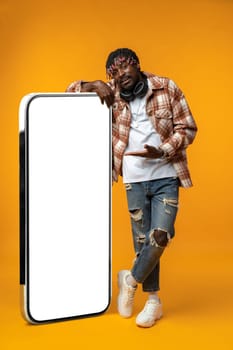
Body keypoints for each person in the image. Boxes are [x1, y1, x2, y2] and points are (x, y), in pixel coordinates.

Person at [66, 48, 197, 328]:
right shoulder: (109, 94)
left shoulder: (166, 86)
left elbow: (187, 128)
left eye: (124, 68)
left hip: (165, 175)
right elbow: (67, 95)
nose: (120, 75)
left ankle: (130, 279)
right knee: (142, 242)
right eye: (112, 72)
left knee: (160, 235)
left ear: (137, 65)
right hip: (133, 180)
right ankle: (153, 303)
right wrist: (92, 85)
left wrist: (162, 151)